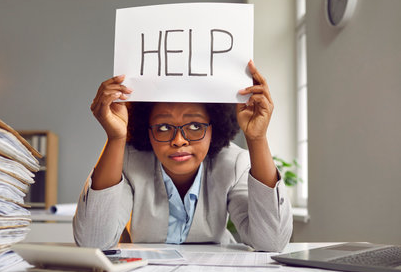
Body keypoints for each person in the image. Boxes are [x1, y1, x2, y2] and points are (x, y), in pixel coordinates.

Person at [73, 60, 293, 252]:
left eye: (195, 125)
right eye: (163, 127)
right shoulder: (129, 161)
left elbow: (271, 242)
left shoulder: (233, 163)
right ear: (146, 130)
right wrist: (115, 138)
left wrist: (257, 139)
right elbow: (93, 241)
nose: (179, 140)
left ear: (214, 127)